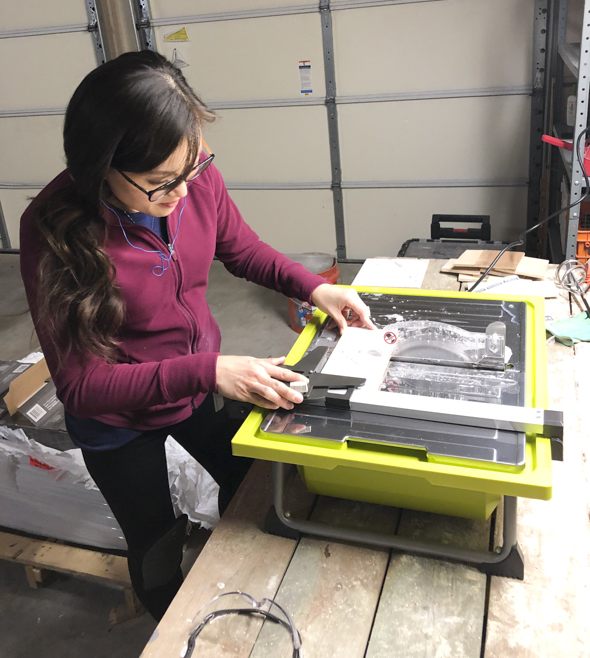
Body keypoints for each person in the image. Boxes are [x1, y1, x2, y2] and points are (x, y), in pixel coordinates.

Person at [19, 50, 374, 621]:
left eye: (190, 168)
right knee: (156, 547)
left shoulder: (190, 172)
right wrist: (208, 371)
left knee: (257, 484)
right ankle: (176, 632)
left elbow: (240, 247)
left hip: (197, 382)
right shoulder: (53, 229)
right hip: (119, 418)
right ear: (100, 166)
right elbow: (83, 387)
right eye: (159, 184)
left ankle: (248, 595)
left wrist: (314, 288)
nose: (182, 192)